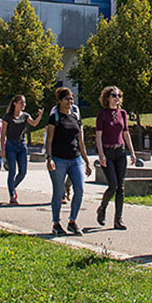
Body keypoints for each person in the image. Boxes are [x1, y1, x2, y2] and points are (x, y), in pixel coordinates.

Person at [44, 86, 91, 236]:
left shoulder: (75, 117)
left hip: (75, 158)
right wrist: (49, 158)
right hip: (58, 159)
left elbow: (80, 140)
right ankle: (56, 223)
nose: (70, 101)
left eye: (71, 98)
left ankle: (72, 221)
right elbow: (49, 140)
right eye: (67, 99)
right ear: (59, 101)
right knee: (58, 191)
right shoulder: (55, 117)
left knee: (80, 189)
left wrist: (87, 161)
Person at [95, 86, 136, 230]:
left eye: (119, 95)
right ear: (107, 98)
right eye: (114, 95)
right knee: (113, 186)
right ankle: (102, 208)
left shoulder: (123, 113)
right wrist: (101, 155)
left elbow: (126, 133)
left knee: (121, 188)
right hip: (108, 152)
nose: (117, 98)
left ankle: (118, 219)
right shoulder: (102, 114)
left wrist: (132, 151)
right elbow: (98, 136)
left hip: (120, 152)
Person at [0, 95, 43, 205]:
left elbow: (33, 124)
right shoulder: (7, 116)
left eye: (24, 103)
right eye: (21, 102)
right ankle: (12, 195)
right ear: (15, 103)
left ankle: (12, 187)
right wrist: (2, 148)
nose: (24, 105)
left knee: (23, 172)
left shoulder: (25, 115)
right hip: (11, 145)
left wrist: (39, 116)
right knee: (12, 171)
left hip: (22, 145)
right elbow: (3, 133)